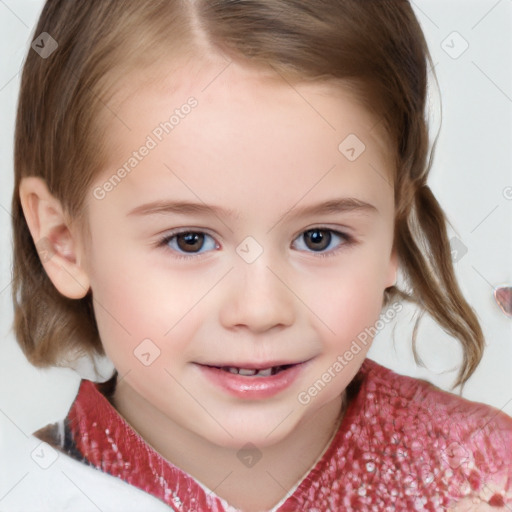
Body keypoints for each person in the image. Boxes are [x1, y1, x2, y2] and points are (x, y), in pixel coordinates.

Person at [8, 0, 511, 510]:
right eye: (190, 240)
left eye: (319, 237)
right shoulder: (30, 494)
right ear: (63, 243)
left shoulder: (488, 477)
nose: (261, 309)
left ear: (395, 234)